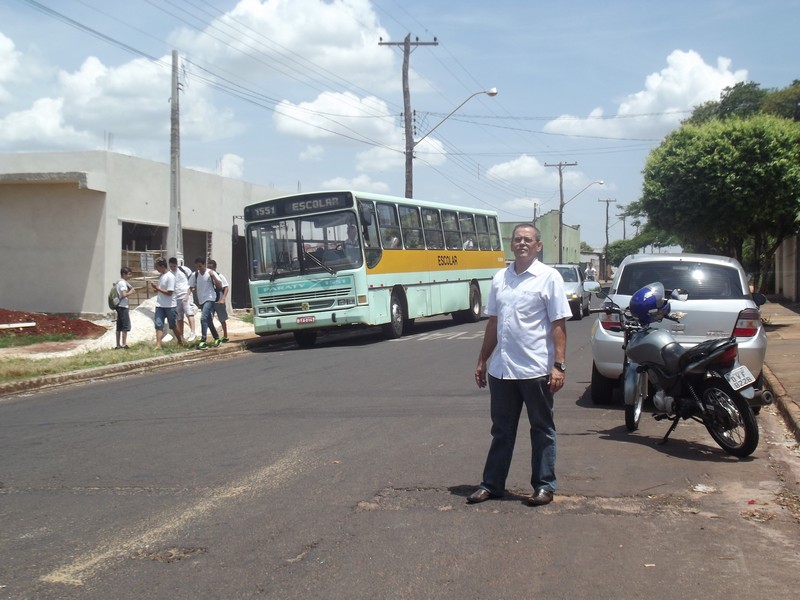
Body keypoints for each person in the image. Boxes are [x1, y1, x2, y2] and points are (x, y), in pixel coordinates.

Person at [468, 223, 572, 507]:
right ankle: (492, 485)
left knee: (542, 429)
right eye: (517, 239)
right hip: (502, 369)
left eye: (528, 240)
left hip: (536, 369)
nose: (522, 243)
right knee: (501, 429)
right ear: (510, 245)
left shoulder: (549, 278)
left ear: (538, 246)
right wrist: (482, 359)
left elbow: (558, 324)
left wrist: (558, 366)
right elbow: (493, 322)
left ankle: (544, 486)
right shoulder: (500, 278)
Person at [188, 256, 222, 350]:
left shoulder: (210, 273)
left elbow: (220, 285)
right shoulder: (195, 275)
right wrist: (187, 295)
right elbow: (190, 286)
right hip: (201, 300)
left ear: (204, 264)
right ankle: (217, 338)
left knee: (203, 318)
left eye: (200, 266)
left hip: (210, 298)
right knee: (208, 320)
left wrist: (213, 276)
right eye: (197, 267)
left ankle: (203, 340)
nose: (199, 268)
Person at [150, 258, 184, 349]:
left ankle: (180, 340)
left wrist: (157, 288)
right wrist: (155, 288)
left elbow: (169, 292)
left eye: (157, 267)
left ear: (162, 266)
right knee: (159, 324)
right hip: (160, 305)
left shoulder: (170, 277)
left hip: (170, 306)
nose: (157, 269)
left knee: (172, 325)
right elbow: (160, 291)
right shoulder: (161, 276)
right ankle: (158, 344)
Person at [168, 257, 197, 343]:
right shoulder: (169, 274)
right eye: (171, 266)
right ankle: (181, 336)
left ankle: (193, 332)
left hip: (186, 294)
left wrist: (190, 290)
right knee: (179, 317)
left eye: (174, 266)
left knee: (189, 313)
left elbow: (192, 278)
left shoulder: (184, 270)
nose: (173, 268)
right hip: (176, 297)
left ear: (177, 264)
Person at [207, 259, 230, 343]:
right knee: (209, 319)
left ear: (215, 267)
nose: (210, 269)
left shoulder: (220, 276)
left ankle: (225, 336)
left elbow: (226, 287)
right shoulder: (206, 277)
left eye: (211, 267)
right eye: (208, 267)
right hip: (210, 301)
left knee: (222, 319)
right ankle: (215, 337)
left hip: (219, 300)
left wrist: (223, 298)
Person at [114, 267, 135, 349]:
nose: (130, 276)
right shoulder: (123, 283)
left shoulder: (118, 282)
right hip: (123, 306)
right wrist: (131, 292)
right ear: (124, 274)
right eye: (129, 274)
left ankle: (118, 344)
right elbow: (124, 294)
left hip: (118, 306)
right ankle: (124, 344)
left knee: (119, 326)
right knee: (125, 326)